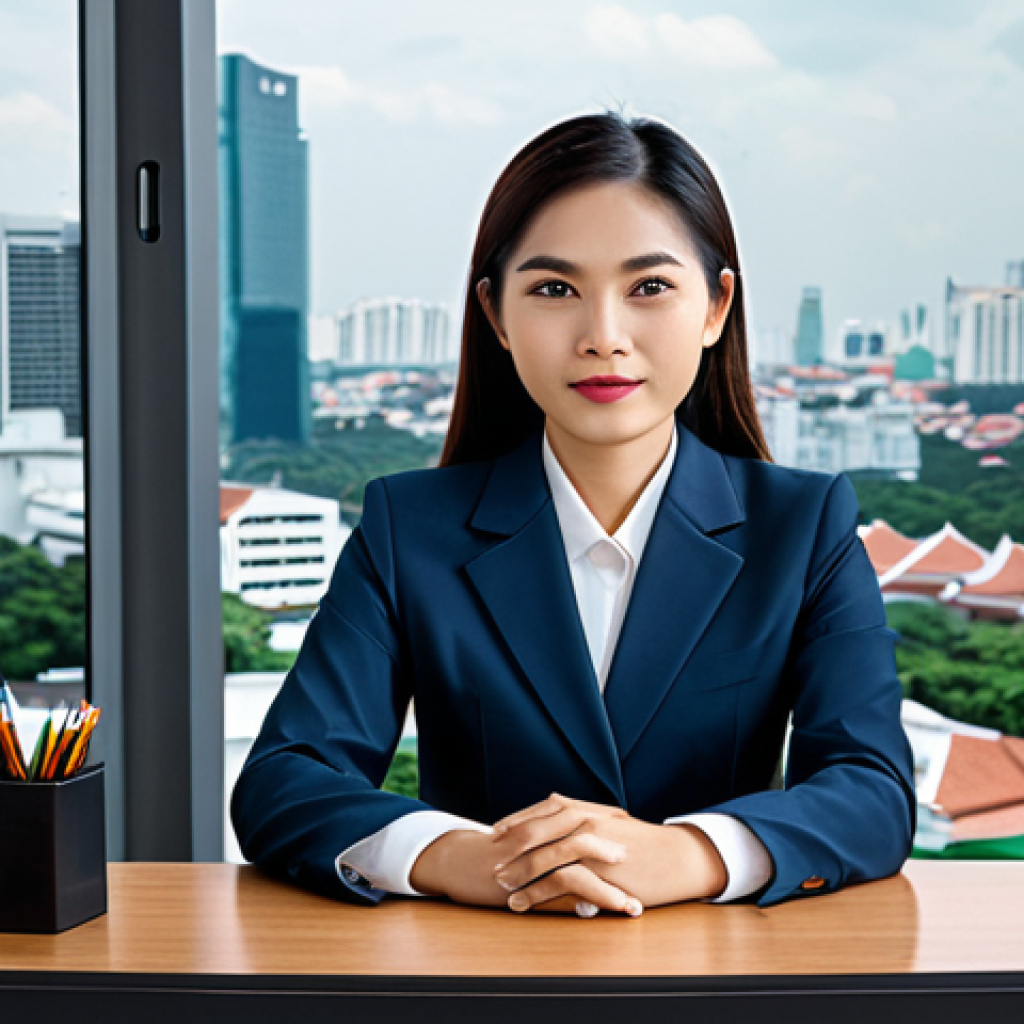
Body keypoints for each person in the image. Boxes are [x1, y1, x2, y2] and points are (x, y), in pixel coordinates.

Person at [231, 111, 916, 919]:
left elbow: (872, 790)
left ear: (715, 307)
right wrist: (465, 858)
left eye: (650, 287)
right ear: (496, 316)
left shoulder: (803, 527)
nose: (604, 336)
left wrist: (692, 852)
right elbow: (284, 778)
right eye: (555, 289)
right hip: (479, 975)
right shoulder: (405, 527)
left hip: (715, 983)